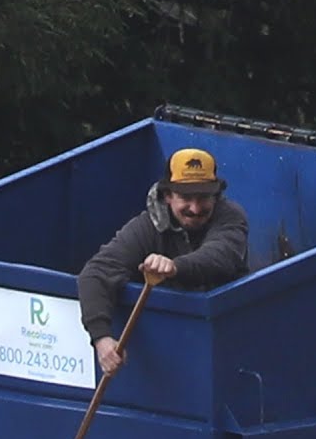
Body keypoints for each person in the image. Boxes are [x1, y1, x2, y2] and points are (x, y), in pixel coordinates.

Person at [78, 147, 249, 375]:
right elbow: (96, 273)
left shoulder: (231, 217)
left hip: (226, 338)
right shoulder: (146, 227)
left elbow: (221, 255)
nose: (195, 208)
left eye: (204, 198)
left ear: (216, 196)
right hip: (165, 348)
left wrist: (174, 266)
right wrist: (102, 339)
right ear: (167, 196)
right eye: (186, 198)